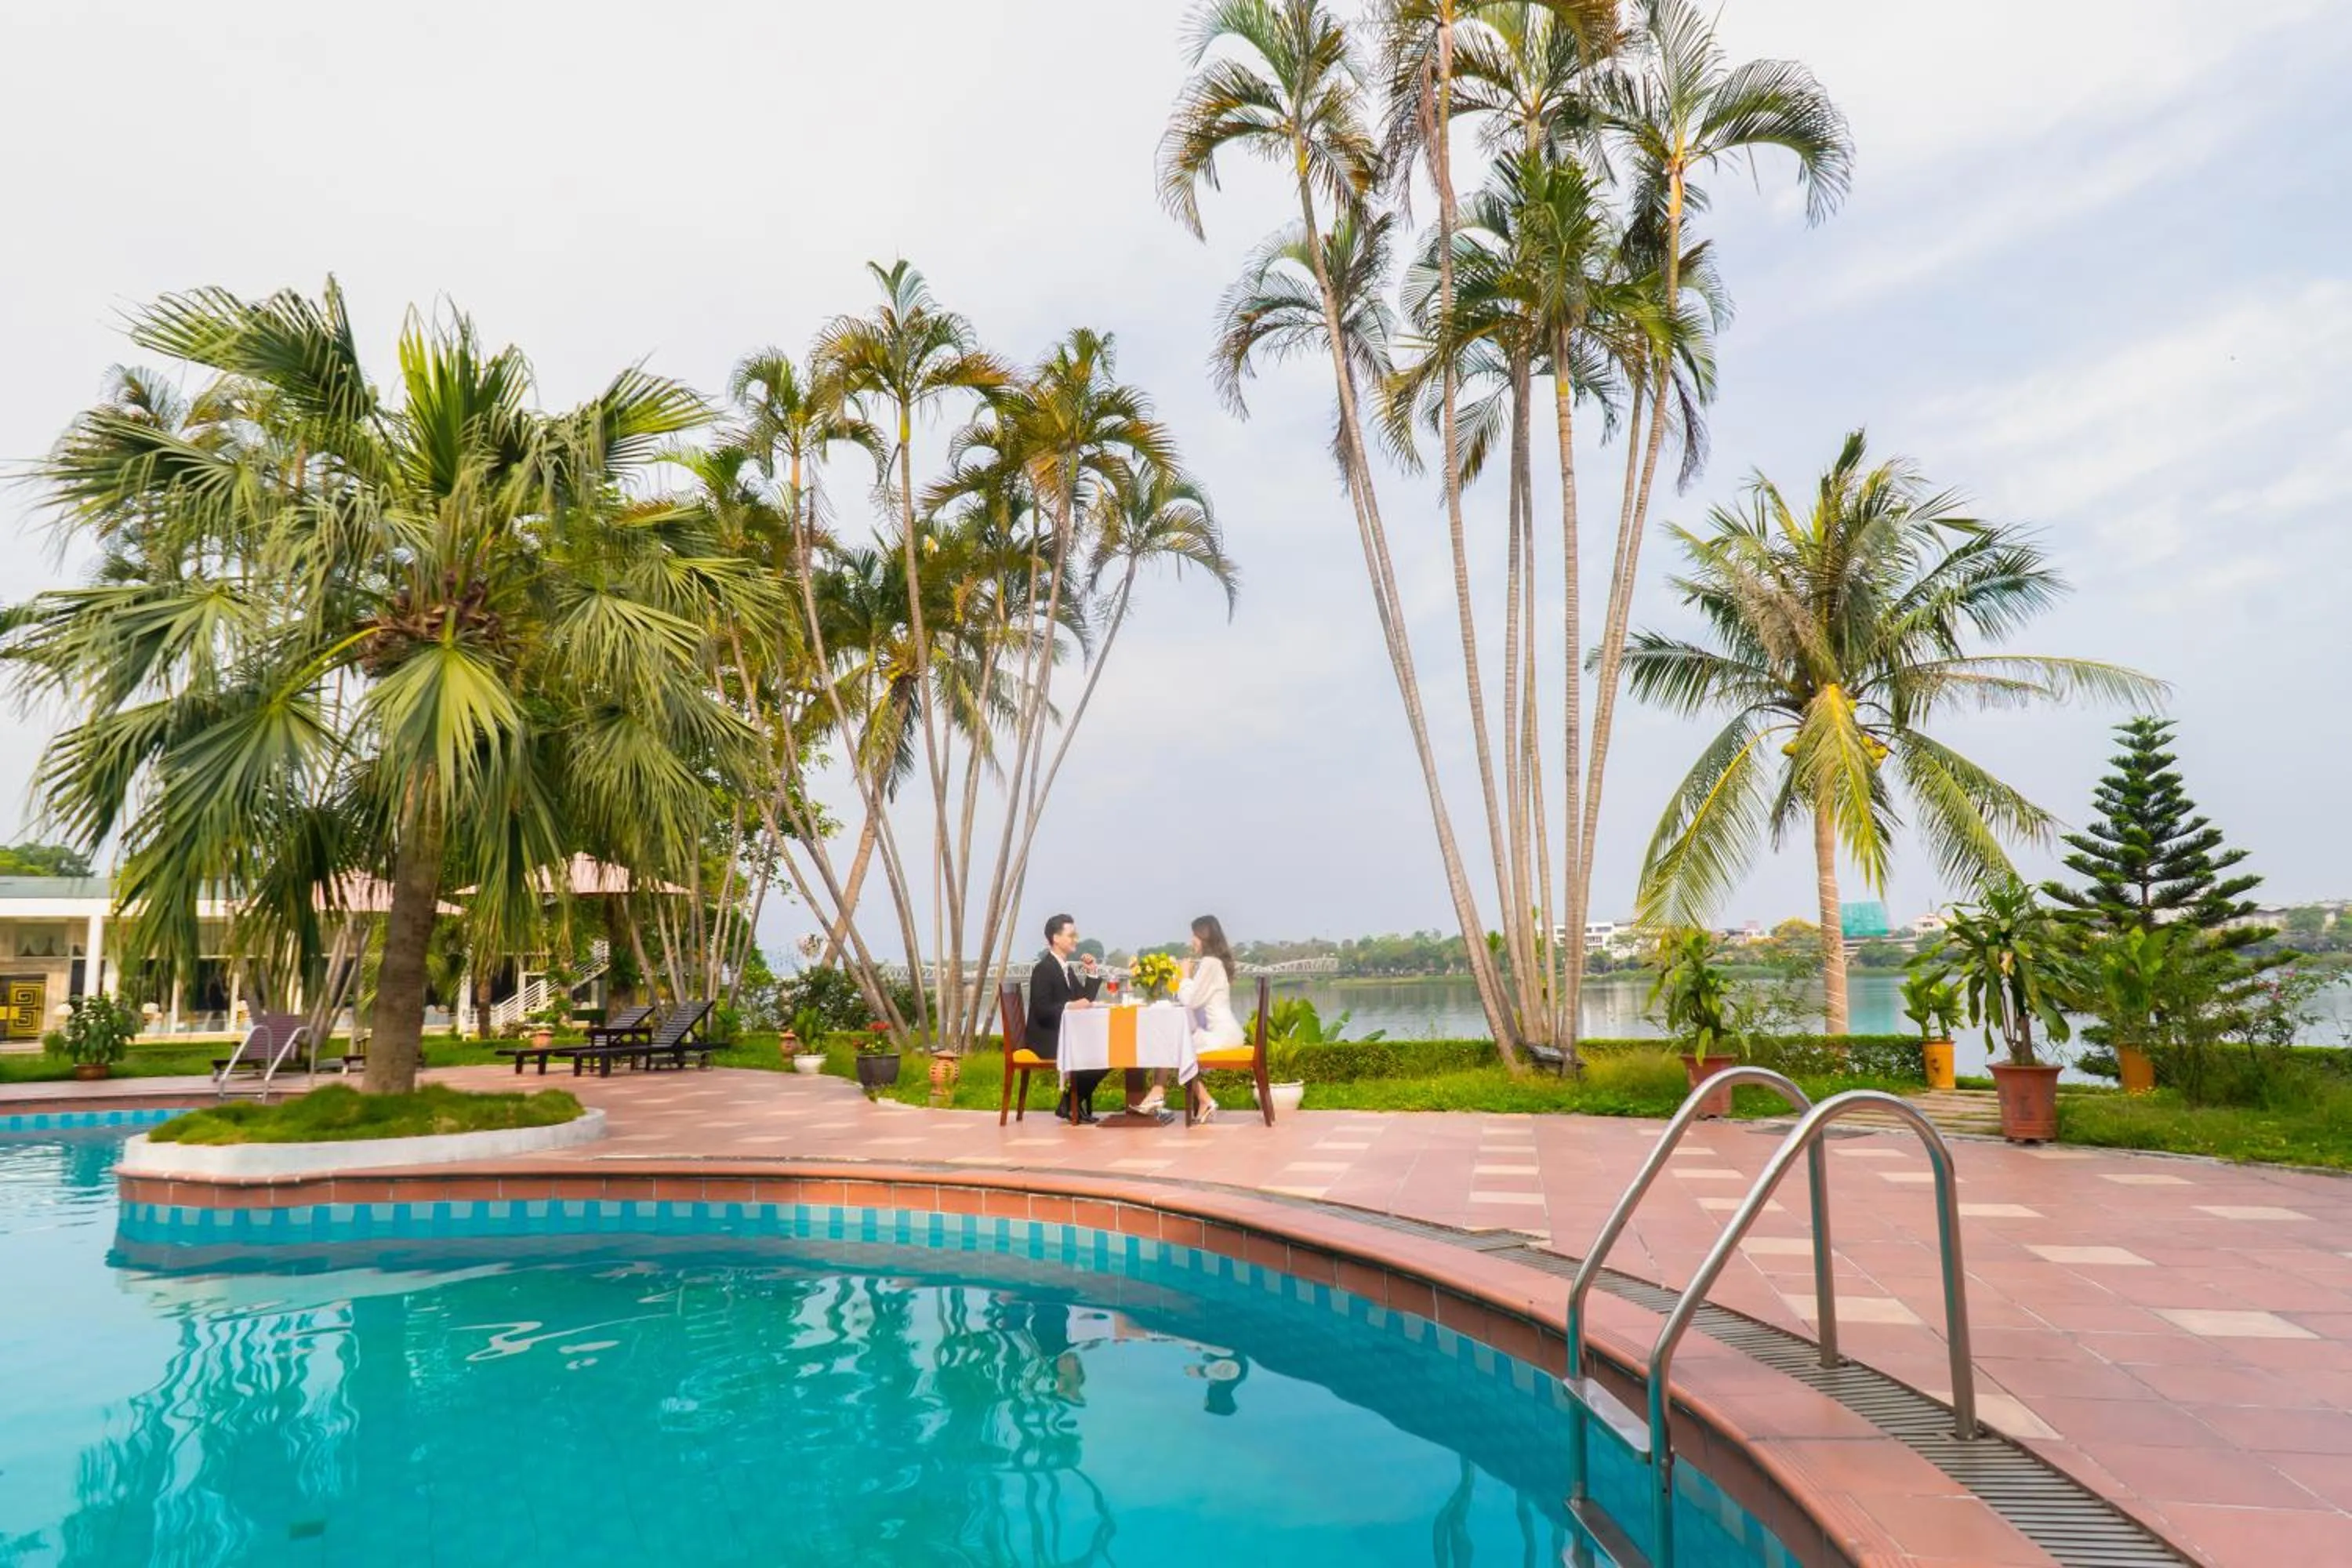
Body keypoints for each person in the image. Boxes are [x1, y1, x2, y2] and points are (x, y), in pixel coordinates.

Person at [1028, 913, 1104, 1123]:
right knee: (1101, 1053)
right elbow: (1042, 1010)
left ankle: (1070, 1102)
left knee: (1108, 1051)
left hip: (1066, 1036)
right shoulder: (1043, 970)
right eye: (1071, 935)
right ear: (1056, 938)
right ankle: (1070, 1102)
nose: (1076, 940)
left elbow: (1084, 999)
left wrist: (1091, 973)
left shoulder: (1066, 969)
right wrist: (1071, 1006)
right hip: (1046, 1039)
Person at [1176, 914, 1246, 1123]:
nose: (1192, 941)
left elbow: (1191, 1000)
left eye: (1194, 936)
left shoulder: (1209, 963)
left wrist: (1185, 976)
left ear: (1204, 937)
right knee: (1180, 1046)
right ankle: (1203, 1101)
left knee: (1177, 1049)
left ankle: (1204, 1099)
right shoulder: (1217, 963)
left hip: (1221, 1036)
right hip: (1228, 1032)